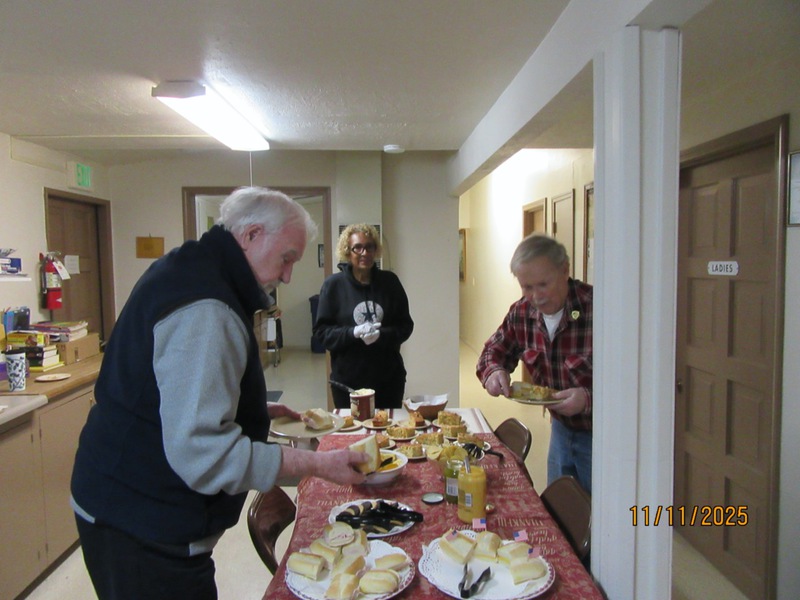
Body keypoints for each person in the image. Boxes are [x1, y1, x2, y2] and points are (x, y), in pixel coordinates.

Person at [70, 187, 369, 600]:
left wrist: (249, 409)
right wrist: (317, 464)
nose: (287, 276)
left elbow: (173, 389)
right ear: (251, 235)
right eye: (287, 258)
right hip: (140, 523)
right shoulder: (207, 308)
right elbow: (204, 454)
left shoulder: (192, 266)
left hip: (122, 499)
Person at [476, 233, 593, 494]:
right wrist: (493, 372)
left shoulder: (598, 309)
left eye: (543, 284)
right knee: (563, 507)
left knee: (604, 512)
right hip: (560, 431)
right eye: (527, 287)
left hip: (602, 435)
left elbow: (635, 383)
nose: (536, 296)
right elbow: (491, 352)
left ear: (565, 270)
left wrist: (588, 399)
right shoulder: (522, 312)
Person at [313, 223, 414, 409]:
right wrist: (353, 333)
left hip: (388, 381)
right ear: (347, 251)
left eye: (369, 247)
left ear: (376, 250)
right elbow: (322, 333)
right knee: (351, 427)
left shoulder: (390, 283)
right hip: (347, 383)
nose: (364, 253)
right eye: (357, 247)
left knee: (388, 427)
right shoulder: (333, 286)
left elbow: (405, 326)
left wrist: (381, 335)